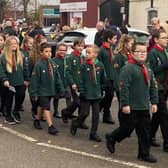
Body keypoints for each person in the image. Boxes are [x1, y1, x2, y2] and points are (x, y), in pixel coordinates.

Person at [105, 42, 158, 163]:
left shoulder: (147, 68)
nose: (141, 54)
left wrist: (154, 102)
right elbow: (124, 87)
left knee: (145, 131)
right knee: (127, 129)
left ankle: (144, 153)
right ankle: (112, 137)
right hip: (131, 106)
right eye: (138, 51)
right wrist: (125, 104)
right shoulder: (128, 68)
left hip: (143, 106)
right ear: (132, 53)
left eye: (144, 52)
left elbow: (153, 86)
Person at [70, 45, 106, 142]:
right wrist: (82, 90)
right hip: (86, 94)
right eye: (86, 52)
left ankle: (93, 133)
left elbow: (103, 79)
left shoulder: (100, 65)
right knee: (84, 113)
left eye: (89, 52)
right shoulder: (83, 66)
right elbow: (79, 80)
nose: (86, 54)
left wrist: (102, 89)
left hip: (96, 94)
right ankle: (76, 123)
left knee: (96, 115)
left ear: (95, 54)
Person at [29, 42, 63, 135]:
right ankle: (50, 126)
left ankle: (37, 120)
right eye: (46, 51)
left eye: (50, 51)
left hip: (50, 89)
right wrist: (33, 93)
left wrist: (60, 88)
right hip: (42, 91)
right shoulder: (38, 65)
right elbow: (34, 81)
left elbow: (57, 76)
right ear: (41, 53)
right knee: (47, 107)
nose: (49, 53)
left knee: (42, 106)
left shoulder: (52, 63)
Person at [0, 36, 29, 124]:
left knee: (21, 95)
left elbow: (25, 68)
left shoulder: (21, 55)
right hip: (9, 82)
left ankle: (16, 111)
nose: (14, 45)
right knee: (9, 99)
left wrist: (26, 79)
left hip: (20, 81)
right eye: (11, 43)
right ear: (8, 45)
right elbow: (1, 70)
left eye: (15, 43)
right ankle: (8, 115)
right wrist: (4, 80)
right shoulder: (3, 56)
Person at [147, 30, 168, 151]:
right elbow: (151, 70)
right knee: (164, 114)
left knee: (157, 115)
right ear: (156, 39)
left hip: (165, 86)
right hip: (157, 87)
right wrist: (164, 65)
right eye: (164, 38)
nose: (167, 40)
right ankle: (167, 142)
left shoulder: (165, 51)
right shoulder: (153, 53)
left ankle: (150, 136)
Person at [61, 38, 88, 129]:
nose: (80, 48)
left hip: (82, 84)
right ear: (74, 46)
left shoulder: (83, 57)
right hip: (74, 83)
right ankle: (65, 112)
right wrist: (72, 83)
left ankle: (80, 121)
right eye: (78, 46)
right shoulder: (70, 57)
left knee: (82, 102)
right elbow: (68, 72)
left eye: (82, 46)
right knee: (77, 102)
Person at [98, 29, 117, 124]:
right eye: (114, 38)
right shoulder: (101, 50)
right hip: (106, 77)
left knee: (110, 96)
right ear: (108, 39)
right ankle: (103, 110)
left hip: (112, 75)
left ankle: (104, 112)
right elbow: (99, 65)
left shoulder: (112, 49)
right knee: (109, 95)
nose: (116, 40)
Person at [113, 34, 134, 121]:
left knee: (129, 105)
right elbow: (117, 73)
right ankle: (122, 125)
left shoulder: (130, 55)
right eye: (131, 43)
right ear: (125, 44)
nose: (132, 45)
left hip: (130, 84)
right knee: (122, 105)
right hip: (122, 85)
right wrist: (119, 86)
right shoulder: (119, 56)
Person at [52, 43, 71, 118]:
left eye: (64, 50)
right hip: (57, 83)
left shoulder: (67, 60)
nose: (62, 52)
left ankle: (68, 112)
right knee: (56, 98)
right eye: (60, 50)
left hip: (66, 83)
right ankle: (55, 111)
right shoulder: (53, 60)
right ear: (57, 50)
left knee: (68, 97)